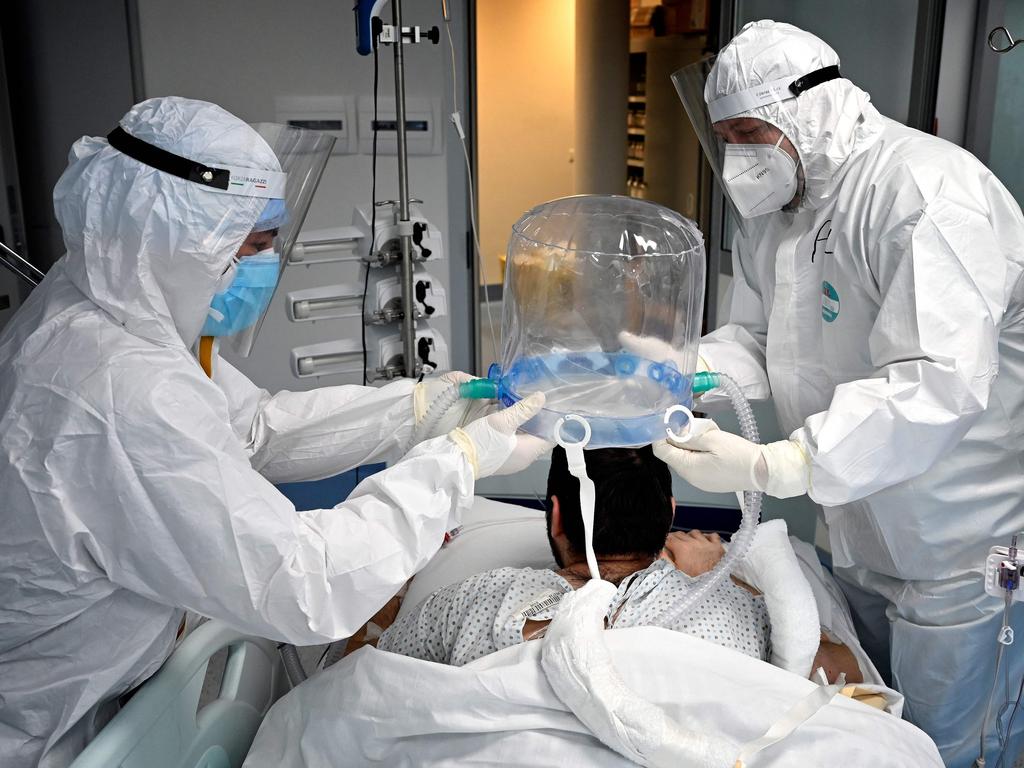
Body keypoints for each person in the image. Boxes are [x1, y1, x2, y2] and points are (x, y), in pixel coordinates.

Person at [0, 96, 549, 768]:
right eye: (254, 245)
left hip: (115, 680)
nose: (267, 261)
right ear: (175, 242)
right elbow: (305, 584)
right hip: (51, 727)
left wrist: (418, 409)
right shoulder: (122, 391)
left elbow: (251, 427)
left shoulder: (106, 308)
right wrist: (454, 464)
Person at [656, 20, 1024, 766]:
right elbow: (760, 343)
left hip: (956, 541)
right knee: (872, 723)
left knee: (950, 747)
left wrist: (777, 467)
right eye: (725, 136)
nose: (737, 159)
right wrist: (679, 372)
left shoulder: (922, 191)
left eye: (750, 132)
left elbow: (937, 383)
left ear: (810, 108)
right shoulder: (779, 211)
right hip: (856, 523)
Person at [377, 445, 774, 666]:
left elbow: (355, 679)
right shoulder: (737, 609)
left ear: (556, 516)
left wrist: (399, 574)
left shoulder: (474, 602)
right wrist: (721, 573)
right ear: (670, 510)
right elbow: (833, 681)